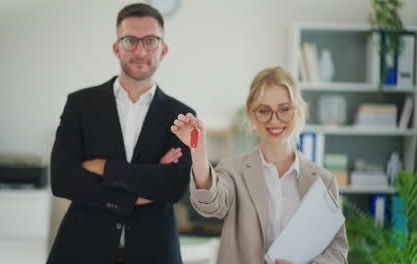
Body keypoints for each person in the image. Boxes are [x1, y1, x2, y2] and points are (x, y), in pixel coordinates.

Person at [48, 3, 195, 264]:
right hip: (82, 249)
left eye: (150, 40)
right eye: (130, 40)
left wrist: (103, 167)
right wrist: (147, 182)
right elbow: (62, 179)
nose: (140, 50)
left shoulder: (182, 116)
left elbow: (174, 187)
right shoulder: (80, 104)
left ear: (164, 49)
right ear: (117, 47)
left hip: (154, 252)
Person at [171, 66, 348, 264]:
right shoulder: (232, 170)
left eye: (285, 109)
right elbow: (211, 204)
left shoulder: (323, 181)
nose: (275, 120)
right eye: (264, 111)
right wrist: (199, 151)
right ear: (252, 114)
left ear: (298, 111)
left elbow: (337, 251)